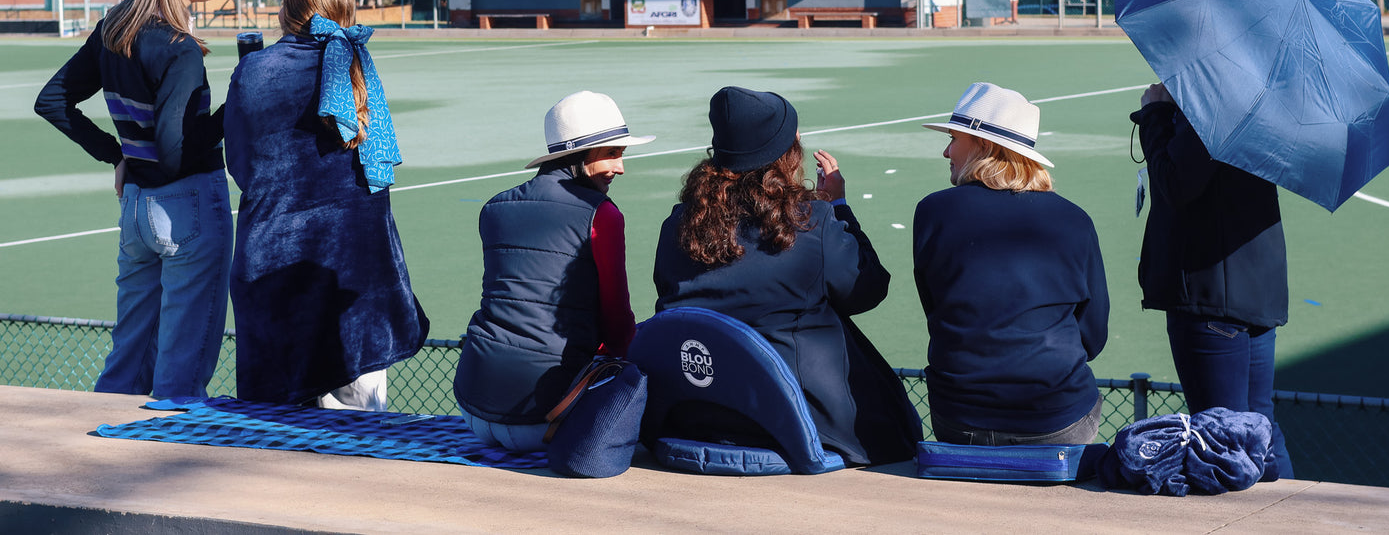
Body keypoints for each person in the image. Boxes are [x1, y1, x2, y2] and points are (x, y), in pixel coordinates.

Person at [653, 86, 921, 466]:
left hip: (698, 410)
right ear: (784, 153)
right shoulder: (812, 221)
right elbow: (867, 289)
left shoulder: (678, 224)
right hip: (799, 421)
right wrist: (839, 207)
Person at [34, 0, 238, 398]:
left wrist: (117, 155)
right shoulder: (179, 49)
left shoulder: (113, 30)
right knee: (180, 377)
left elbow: (52, 101)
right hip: (187, 207)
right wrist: (238, 105)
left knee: (126, 362)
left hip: (137, 209)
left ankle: (101, 467)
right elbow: (175, 154)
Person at [224, 0, 429, 410]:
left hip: (271, 260)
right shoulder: (358, 64)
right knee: (361, 433)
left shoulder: (252, 70)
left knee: (279, 427)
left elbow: (240, 166)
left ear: (286, 12)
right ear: (347, 11)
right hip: (356, 267)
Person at [453, 90, 655, 451]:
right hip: (544, 420)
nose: (620, 167)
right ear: (581, 154)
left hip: (474, 409)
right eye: (612, 153)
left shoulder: (494, 207)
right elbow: (617, 321)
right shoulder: (602, 215)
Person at [914, 81, 1109, 446]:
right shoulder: (1075, 219)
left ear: (984, 145)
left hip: (959, 414)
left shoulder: (933, 211)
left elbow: (936, 309)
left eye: (954, 138)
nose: (945, 151)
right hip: (1055, 415)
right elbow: (1092, 334)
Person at [1131, 82, 1293, 478]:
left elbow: (1176, 183)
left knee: (1222, 440)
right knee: (1261, 430)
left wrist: (1154, 114)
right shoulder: (1257, 98)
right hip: (1255, 289)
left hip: (1211, 294)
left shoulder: (1215, 101)